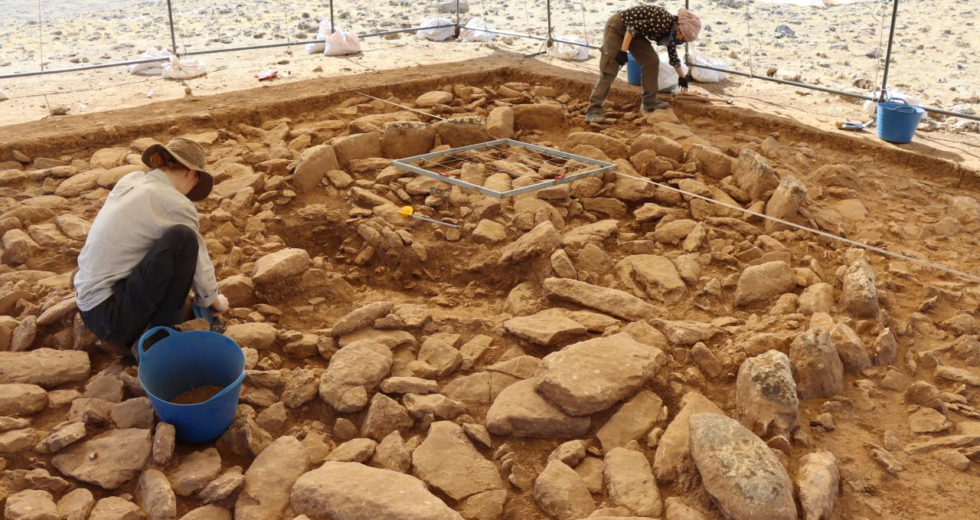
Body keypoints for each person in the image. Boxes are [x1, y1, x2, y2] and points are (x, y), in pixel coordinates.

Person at [73, 138, 229, 353]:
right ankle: (160, 336)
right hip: (113, 319)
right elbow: (199, 259)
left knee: (164, 243)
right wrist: (212, 299)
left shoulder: (132, 180)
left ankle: (139, 331)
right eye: (196, 181)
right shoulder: (174, 202)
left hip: (90, 309)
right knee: (183, 239)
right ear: (191, 173)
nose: (189, 192)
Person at [586, 5, 702, 123]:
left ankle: (650, 101)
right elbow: (631, 27)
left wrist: (682, 78)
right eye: (682, 36)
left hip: (634, 33)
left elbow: (673, 57)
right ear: (679, 26)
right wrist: (623, 51)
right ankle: (593, 110)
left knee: (651, 61)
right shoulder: (663, 20)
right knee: (610, 69)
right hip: (618, 27)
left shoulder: (671, 33)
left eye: (683, 40)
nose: (681, 40)